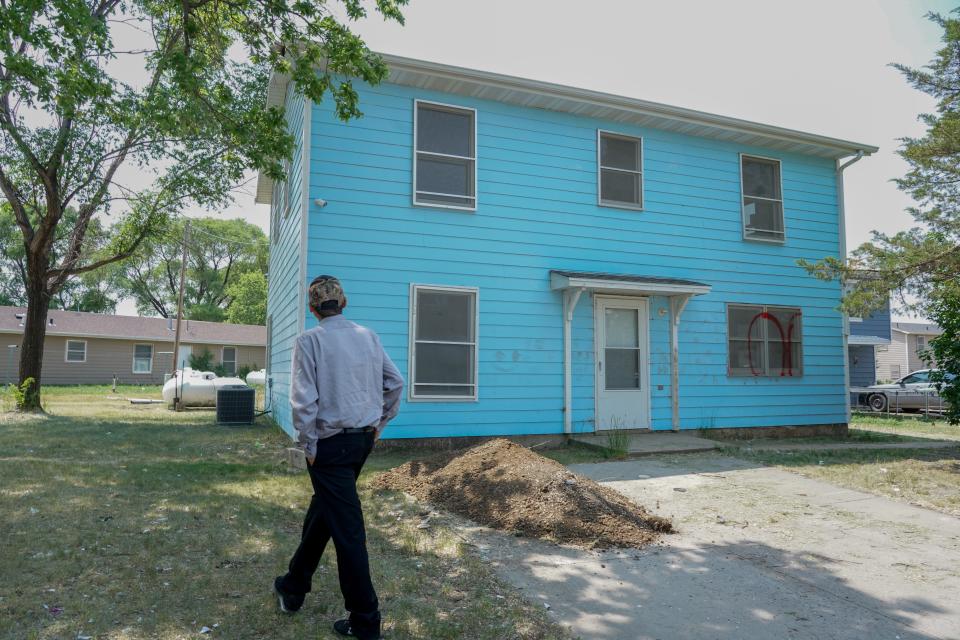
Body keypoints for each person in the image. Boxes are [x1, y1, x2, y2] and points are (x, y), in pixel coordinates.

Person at [273, 275, 403, 640]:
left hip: (328, 446)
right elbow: (395, 383)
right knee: (326, 513)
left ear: (313, 308)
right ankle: (293, 586)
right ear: (342, 304)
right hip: (361, 442)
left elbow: (303, 401)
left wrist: (309, 446)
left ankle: (365, 620)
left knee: (347, 531)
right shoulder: (368, 336)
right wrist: (379, 424)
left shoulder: (310, 340)